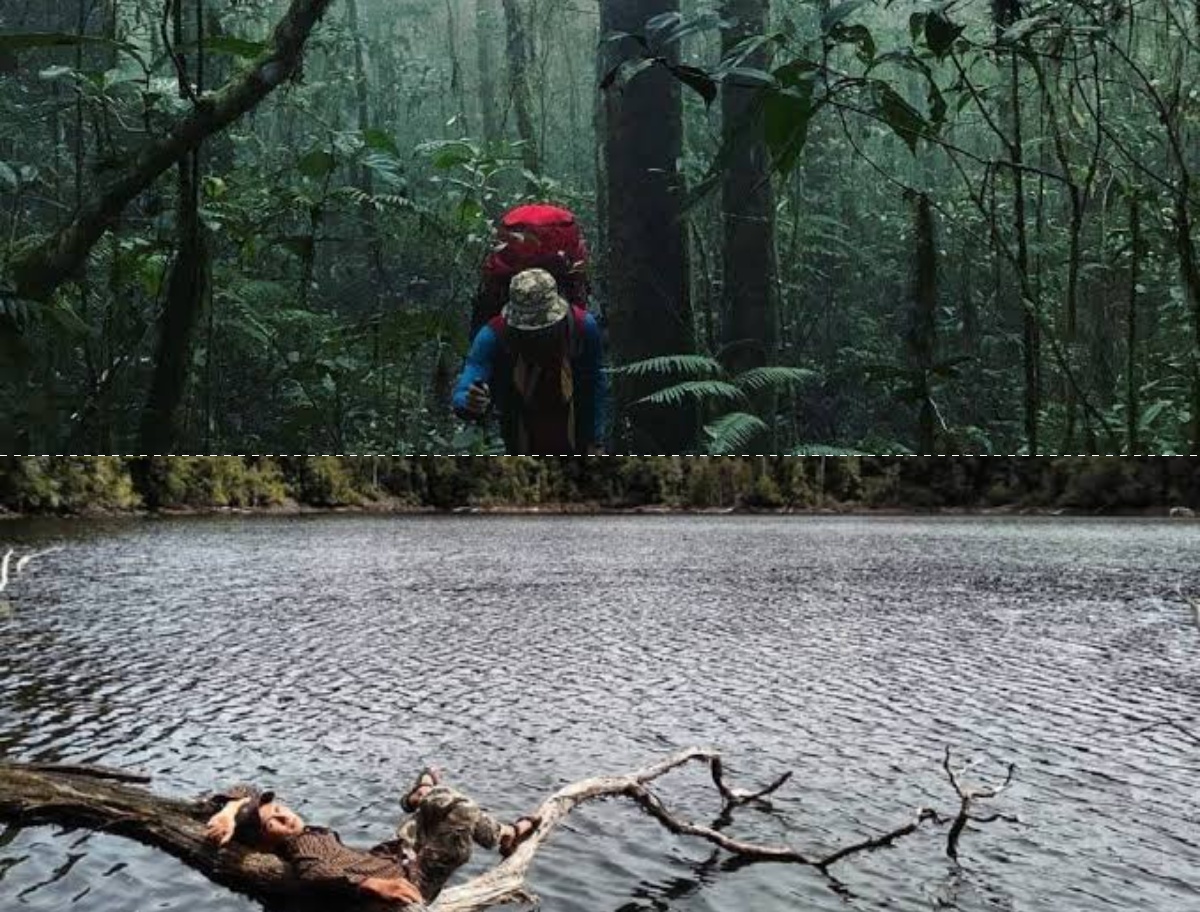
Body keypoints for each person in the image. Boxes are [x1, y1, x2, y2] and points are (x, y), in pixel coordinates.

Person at [204, 768, 539, 908]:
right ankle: (424, 796)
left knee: (439, 807)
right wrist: (369, 885)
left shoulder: (300, 831)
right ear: (265, 842)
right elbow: (314, 873)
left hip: (399, 851)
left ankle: (422, 796)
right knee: (452, 804)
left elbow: (250, 789)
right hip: (416, 876)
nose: (282, 814)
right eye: (273, 822)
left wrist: (230, 810)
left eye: (278, 807)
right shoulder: (300, 846)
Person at [453, 268, 608, 455]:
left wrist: (596, 440)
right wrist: (470, 401)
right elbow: (467, 384)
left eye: (543, 328)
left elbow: (595, 386)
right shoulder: (493, 336)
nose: (536, 335)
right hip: (518, 427)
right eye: (529, 330)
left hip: (575, 427)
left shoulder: (582, 328)